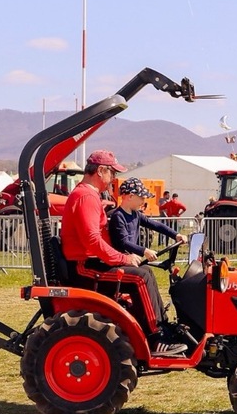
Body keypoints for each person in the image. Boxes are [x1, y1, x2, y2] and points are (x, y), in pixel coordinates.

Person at [59, 150, 185, 357]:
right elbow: (91, 241)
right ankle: (156, 339)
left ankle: (161, 327)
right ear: (101, 171)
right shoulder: (86, 196)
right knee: (140, 277)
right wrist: (123, 258)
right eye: (112, 173)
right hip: (84, 266)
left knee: (144, 270)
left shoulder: (88, 195)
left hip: (89, 261)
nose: (114, 179)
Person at [109, 177, 188, 261]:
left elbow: (155, 225)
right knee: (145, 273)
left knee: (148, 271)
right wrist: (144, 251)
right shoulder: (118, 216)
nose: (143, 202)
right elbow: (124, 242)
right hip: (121, 260)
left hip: (132, 260)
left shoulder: (136, 214)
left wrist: (176, 235)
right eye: (142, 198)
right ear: (131, 196)